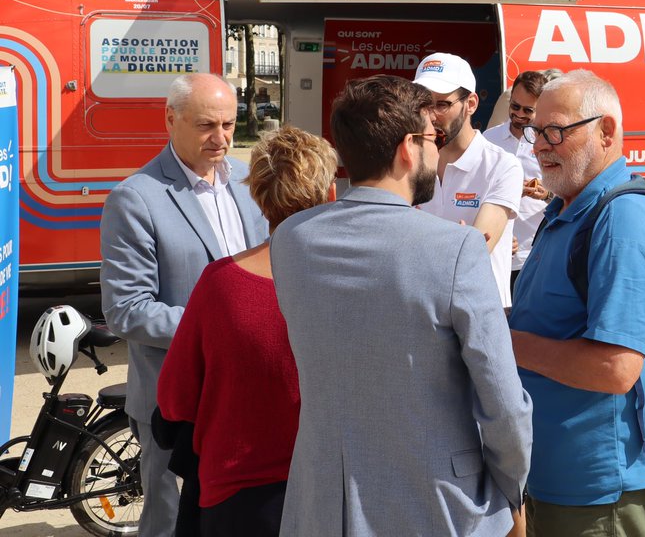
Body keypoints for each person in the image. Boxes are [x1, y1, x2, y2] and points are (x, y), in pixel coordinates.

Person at [270, 74, 532, 537]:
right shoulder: (456, 250)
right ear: (407, 149)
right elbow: (504, 405)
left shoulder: (293, 239)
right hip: (439, 505)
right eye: (434, 137)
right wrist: (512, 492)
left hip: (323, 503)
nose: (439, 149)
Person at [100, 73, 270, 537]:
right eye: (206, 126)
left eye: (230, 125)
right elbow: (126, 310)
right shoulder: (136, 198)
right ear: (170, 120)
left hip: (247, 392)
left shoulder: (248, 185)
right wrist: (219, 325)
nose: (221, 139)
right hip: (176, 401)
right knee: (172, 523)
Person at [509, 70, 645, 536]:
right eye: (536, 132)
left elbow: (616, 368)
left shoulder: (624, 217)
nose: (541, 145)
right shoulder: (566, 208)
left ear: (606, 132)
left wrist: (502, 341)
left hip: (597, 488)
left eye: (556, 131)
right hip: (556, 473)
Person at [156, 125, 337, 537]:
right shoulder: (359, 281)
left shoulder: (220, 283)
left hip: (239, 492)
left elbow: (175, 398)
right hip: (331, 486)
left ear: (258, 197)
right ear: (329, 195)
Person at [414, 52, 523, 306]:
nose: (430, 116)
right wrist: (456, 243)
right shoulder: (410, 161)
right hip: (423, 315)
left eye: (441, 104)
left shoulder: (502, 165)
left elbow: (475, 255)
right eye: (423, 105)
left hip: (479, 319)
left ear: (471, 104)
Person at [484, 70, 553, 288]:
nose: (519, 114)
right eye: (515, 106)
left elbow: (567, 196)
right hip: (496, 252)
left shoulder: (549, 143)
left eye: (528, 110)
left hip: (535, 254)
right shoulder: (489, 139)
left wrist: (547, 194)